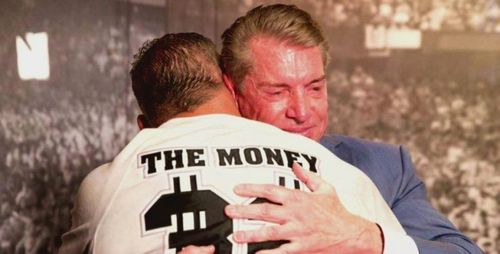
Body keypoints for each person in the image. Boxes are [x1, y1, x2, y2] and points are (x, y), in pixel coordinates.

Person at [58, 33, 406, 254]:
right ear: (230, 87)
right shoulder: (321, 163)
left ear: (143, 126)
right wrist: (368, 238)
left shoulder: (107, 182)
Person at [219, 4, 483, 254]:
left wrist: (363, 238)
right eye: (278, 92)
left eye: (315, 88)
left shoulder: (385, 168)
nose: (301, 112)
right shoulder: (191, 164)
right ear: (233, 90)